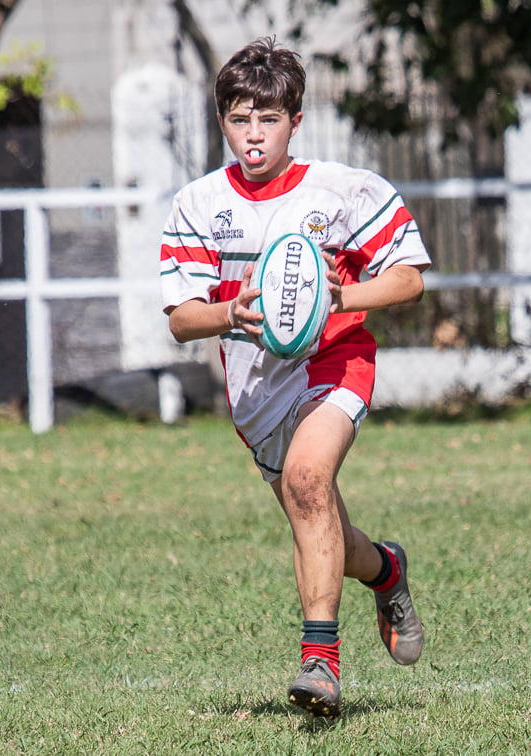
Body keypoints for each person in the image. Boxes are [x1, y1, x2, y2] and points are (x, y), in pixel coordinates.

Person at [159, 38, 431, 718]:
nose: (254, 133)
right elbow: (182, 320)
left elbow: (408, 279)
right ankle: (388, 570)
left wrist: (343, 299)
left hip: (334, 364)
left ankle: (321, 665)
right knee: (329, 534)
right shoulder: (196, 204)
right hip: (256, 397)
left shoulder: (343, 190)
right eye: (240, 117)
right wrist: (229, 312)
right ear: (223, 119)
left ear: (295, 122)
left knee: (310, 482)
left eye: (269, 119)